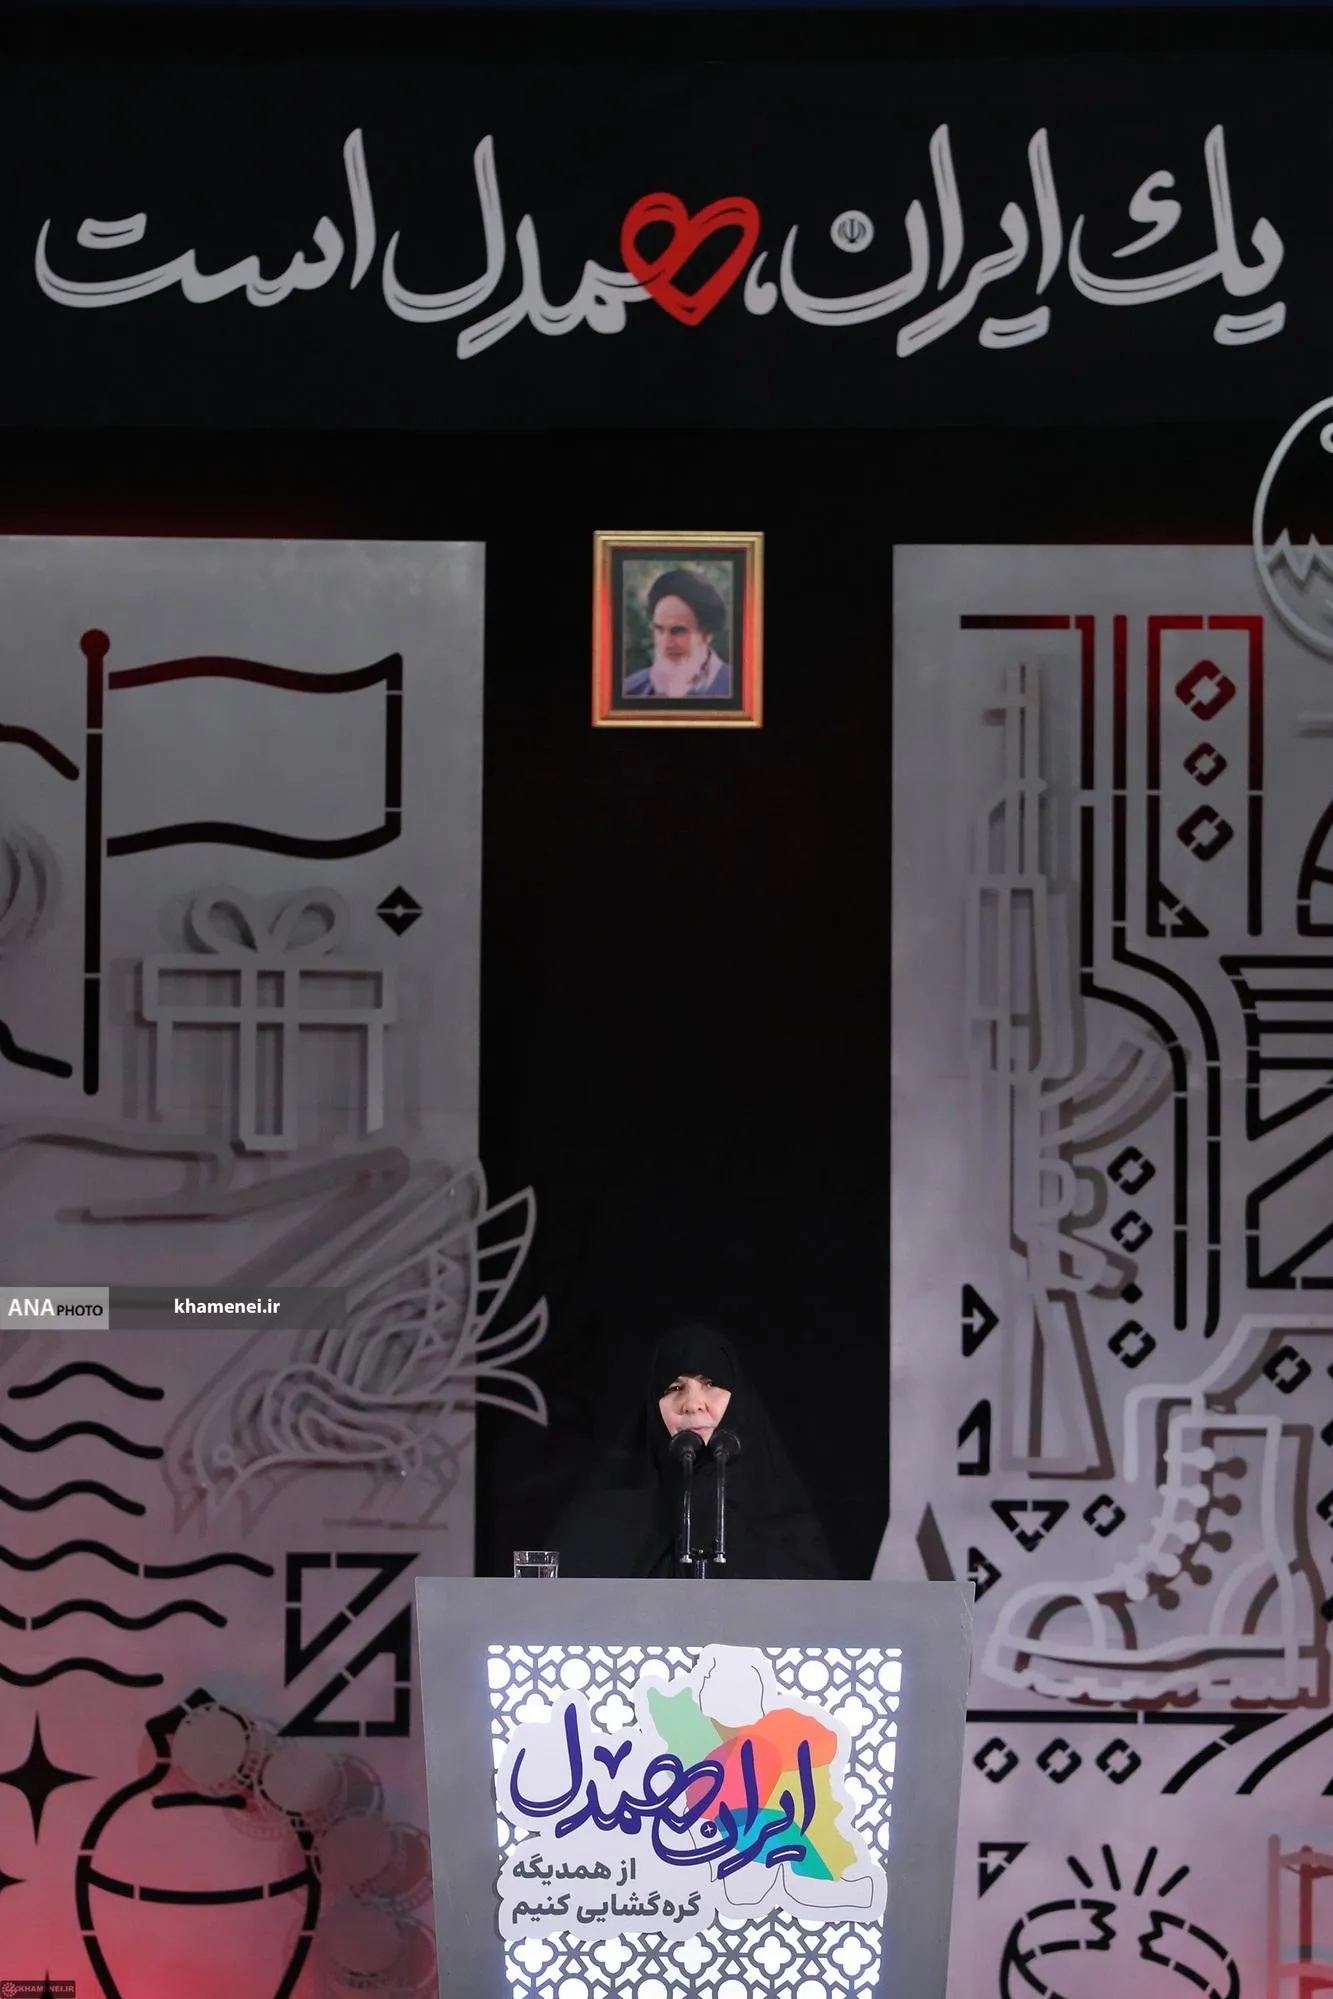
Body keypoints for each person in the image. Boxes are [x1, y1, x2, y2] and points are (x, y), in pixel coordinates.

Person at [555, 1324, 837, 1579]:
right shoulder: (607, 1511)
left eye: (710, 1384)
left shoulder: (782, 1520)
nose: (692, 1404)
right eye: (675, 1387)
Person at [623, 569, 732, 699]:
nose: (666, 643)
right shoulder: (630, 690)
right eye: (659, 629)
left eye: (677, 631)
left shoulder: (741, 690)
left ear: (706, 634)